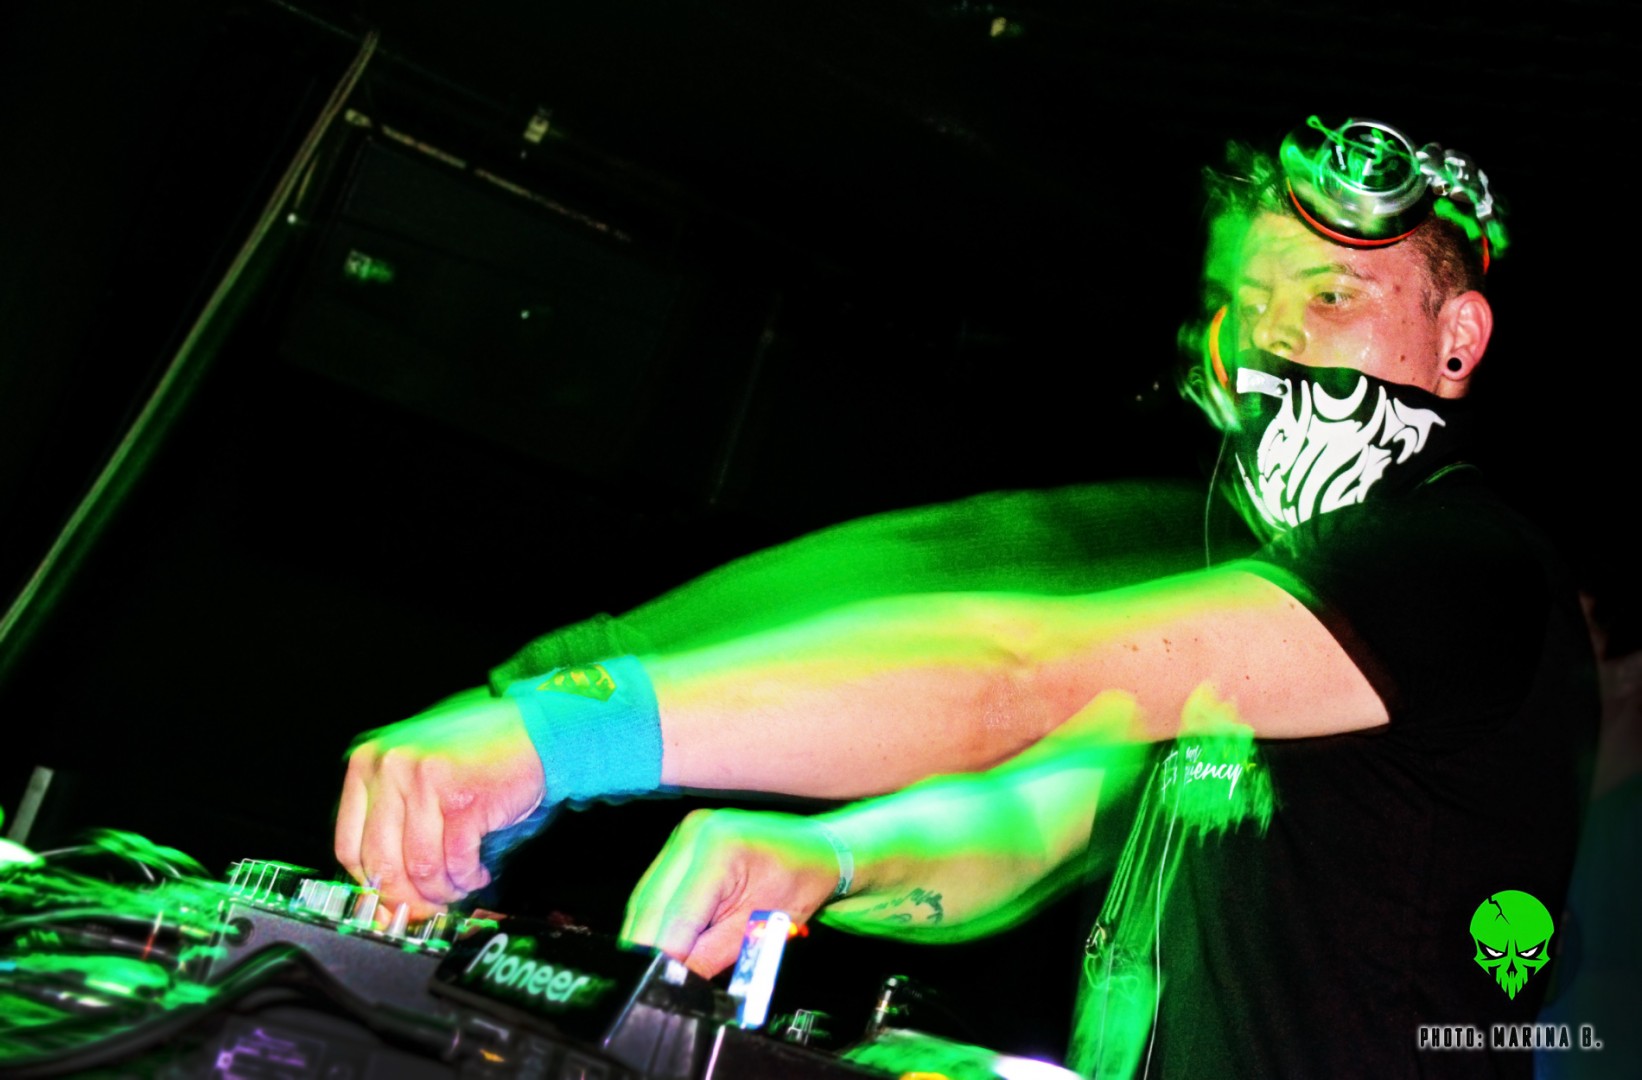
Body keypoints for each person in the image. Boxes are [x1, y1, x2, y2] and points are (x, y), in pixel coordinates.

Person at [334, 118, 1596, 1076]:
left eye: (1330, 296)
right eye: (1246, 304)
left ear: (1456, 341)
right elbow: (1040, 823)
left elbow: (1015, 679)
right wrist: (823, 857)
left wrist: (565, 729)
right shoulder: (1263, 601)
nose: (1269, 342)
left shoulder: (1454, 565)